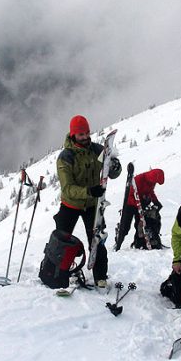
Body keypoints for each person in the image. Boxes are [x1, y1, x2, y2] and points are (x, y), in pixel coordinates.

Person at [54, 115, 121, 288]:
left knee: (97, 240)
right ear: (73, 134)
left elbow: (112, 172)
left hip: (92, 205)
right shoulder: (66, 157)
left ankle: (100, 276)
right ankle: (56, 272)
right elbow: (67, 188)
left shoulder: (97, 150)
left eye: (87, 133)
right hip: (70, 204)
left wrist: (115, 167)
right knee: (61, 241)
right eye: (81, 134)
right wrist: (89, 191)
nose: (85, 137)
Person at [115, 168, 164, 250]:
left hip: (141, 204)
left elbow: (150, 192)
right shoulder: (138, 180)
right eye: (155, 182)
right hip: (130, 205)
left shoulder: (151, 181)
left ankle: (139, 243)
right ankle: (118, 242)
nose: (155, 183)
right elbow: (130, 195)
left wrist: (156, 201)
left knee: (140, 225)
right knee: (125, 226)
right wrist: (139, 204)